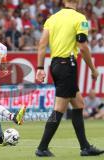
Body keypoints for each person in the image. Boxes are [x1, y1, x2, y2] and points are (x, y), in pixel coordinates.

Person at [35, 0, 104, 157]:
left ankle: (85, 147)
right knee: (59, 108)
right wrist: (93, 69)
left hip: (55, 64)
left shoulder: (52, 18)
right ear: (78, 1)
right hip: (67, 65)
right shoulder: (80, 19)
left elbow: (41, 44)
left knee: (79, 104)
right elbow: (83, 46)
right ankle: (42, 147)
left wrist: (40, 68)